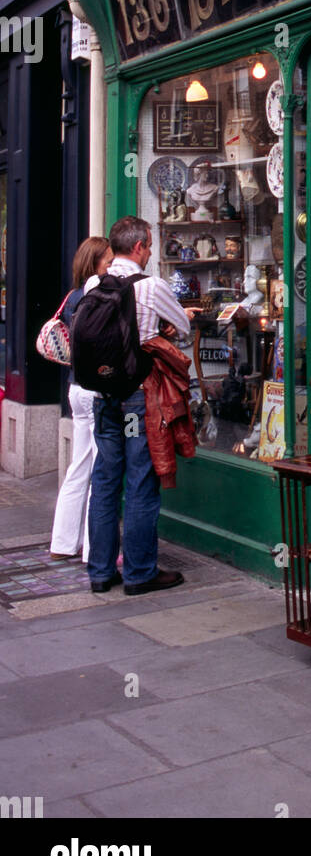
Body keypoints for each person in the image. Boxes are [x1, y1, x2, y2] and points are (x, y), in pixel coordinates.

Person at [85, 216, 195, 596]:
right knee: (141, 482)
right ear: (138, 247)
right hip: (137, 399)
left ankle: (100, 572)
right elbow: (181, 325)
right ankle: (139, 572)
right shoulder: (151, 286)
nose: (149, 252)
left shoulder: (93, 283)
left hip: (103, 399)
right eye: (148, 246)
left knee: (104, 483)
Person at [49, 237, 113, 561]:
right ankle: (93, 548)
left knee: (79, 465)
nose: (112, 266)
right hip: (95, 389)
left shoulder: (72, 297)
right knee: (101, 468)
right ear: (96, 263)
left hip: (75, 388)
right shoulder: (96, 296)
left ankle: (62, 543)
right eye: (108, 260)